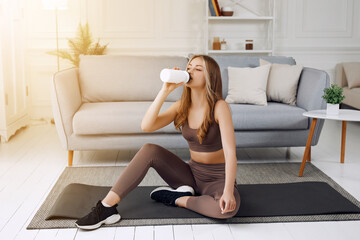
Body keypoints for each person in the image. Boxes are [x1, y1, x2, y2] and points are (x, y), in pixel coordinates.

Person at [75, 54, 241, 230]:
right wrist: (165, 90)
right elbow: (147, 126)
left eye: (198, 69)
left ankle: (177, 198)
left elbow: (231, 153)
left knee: (225, 211)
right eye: (189, 68)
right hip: (191, 175)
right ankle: (106, 207)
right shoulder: (181, 106)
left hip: (217, 179)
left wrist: (228, 191)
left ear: (210, 77)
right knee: (149, 150)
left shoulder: (219, 107)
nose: (191, 71)